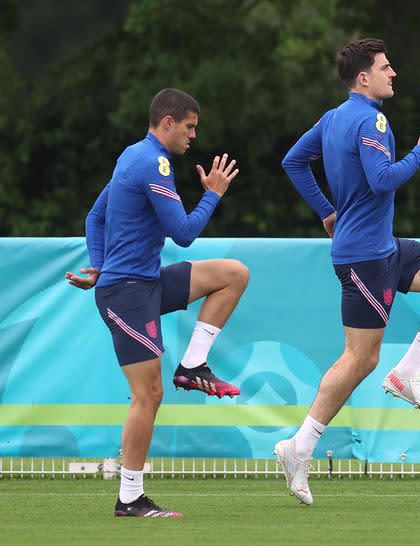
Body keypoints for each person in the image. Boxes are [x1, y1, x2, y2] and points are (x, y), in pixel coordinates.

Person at [279, 38, 420, 505]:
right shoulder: (372, 118)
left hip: (382, 246)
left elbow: (293, 161)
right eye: (386, 67)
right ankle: (299, 446)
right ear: (364, 77)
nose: (394, 74)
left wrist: (327, 211)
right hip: (365, 257)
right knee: (360, 358)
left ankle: (408, 373)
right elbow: (382, 178)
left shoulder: (333, 117)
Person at [65, 88, 249, 517]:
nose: (193, 137)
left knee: (233, 274)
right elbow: (183, 232)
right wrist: (213, 194)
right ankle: (130, 498)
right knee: (147, 395)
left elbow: (95, 217)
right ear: (167, 122)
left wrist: (97, 264)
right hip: (126, 294)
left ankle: (193, 365)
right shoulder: (154, 161)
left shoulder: (132, 155)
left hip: (143, 283)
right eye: (189, 127)